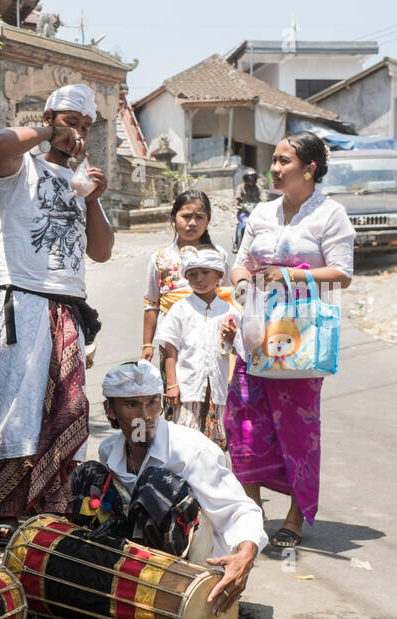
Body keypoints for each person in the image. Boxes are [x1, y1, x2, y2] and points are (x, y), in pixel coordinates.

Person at [0, 83, 113, 546]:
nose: (76, 133)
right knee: (19, 405)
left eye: (83, 126)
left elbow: (102, 251)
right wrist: (48, 132)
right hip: (23, 295)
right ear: (50, 118)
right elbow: (0, 143)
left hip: (67, 302)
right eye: (68, 122)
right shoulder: (23, 168)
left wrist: (92, 198)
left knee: (69, 404)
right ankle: (8, 507)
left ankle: (54, 504)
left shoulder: (80, 183)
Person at [228, 132, 354, 550]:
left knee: (297, 427)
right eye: (274, 161)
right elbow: (240, 264)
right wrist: (244, 285)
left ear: (310, 168)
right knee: (243, 421)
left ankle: (296, 517)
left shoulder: (330, 214)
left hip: (300, 337)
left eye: (284, 161)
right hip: (255, 333)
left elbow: (342, 273)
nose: (275, 169)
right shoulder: (261, 212)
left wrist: (293, 275)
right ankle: (251, 510)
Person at [95, 360, 266, 613]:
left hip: (196, 567)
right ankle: (115, 577)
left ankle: (177, 595)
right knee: (91, 477)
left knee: (156, 485)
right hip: (140, 555)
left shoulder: (192, 450)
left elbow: (241, 510)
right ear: (110, 409)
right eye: (131, 404)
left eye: (152, 402)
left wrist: (245, 557)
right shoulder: (108, 450)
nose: (145, 414)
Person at [155, 245, 239, 448]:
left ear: (219, 274)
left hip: (218, 389)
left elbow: (240, 351)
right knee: (185, 444)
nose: (199, 279)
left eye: (205, 273)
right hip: (187, 388)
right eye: (192, 274)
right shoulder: (180, 309)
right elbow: (170, 349)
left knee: (215, 447)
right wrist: (172, 385)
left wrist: (233, 340)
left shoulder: (230, 311)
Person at [141, 190, 225, 363]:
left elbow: (227, 297)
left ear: (208, 220)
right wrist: (147, 344)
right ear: (173, 219)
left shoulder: (218, 255)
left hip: (210, 333)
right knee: (172, 386)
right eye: (186, 216)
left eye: (199, 217)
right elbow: (151, 303)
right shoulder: (160, 258)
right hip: (171, 337)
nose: (192, 223)